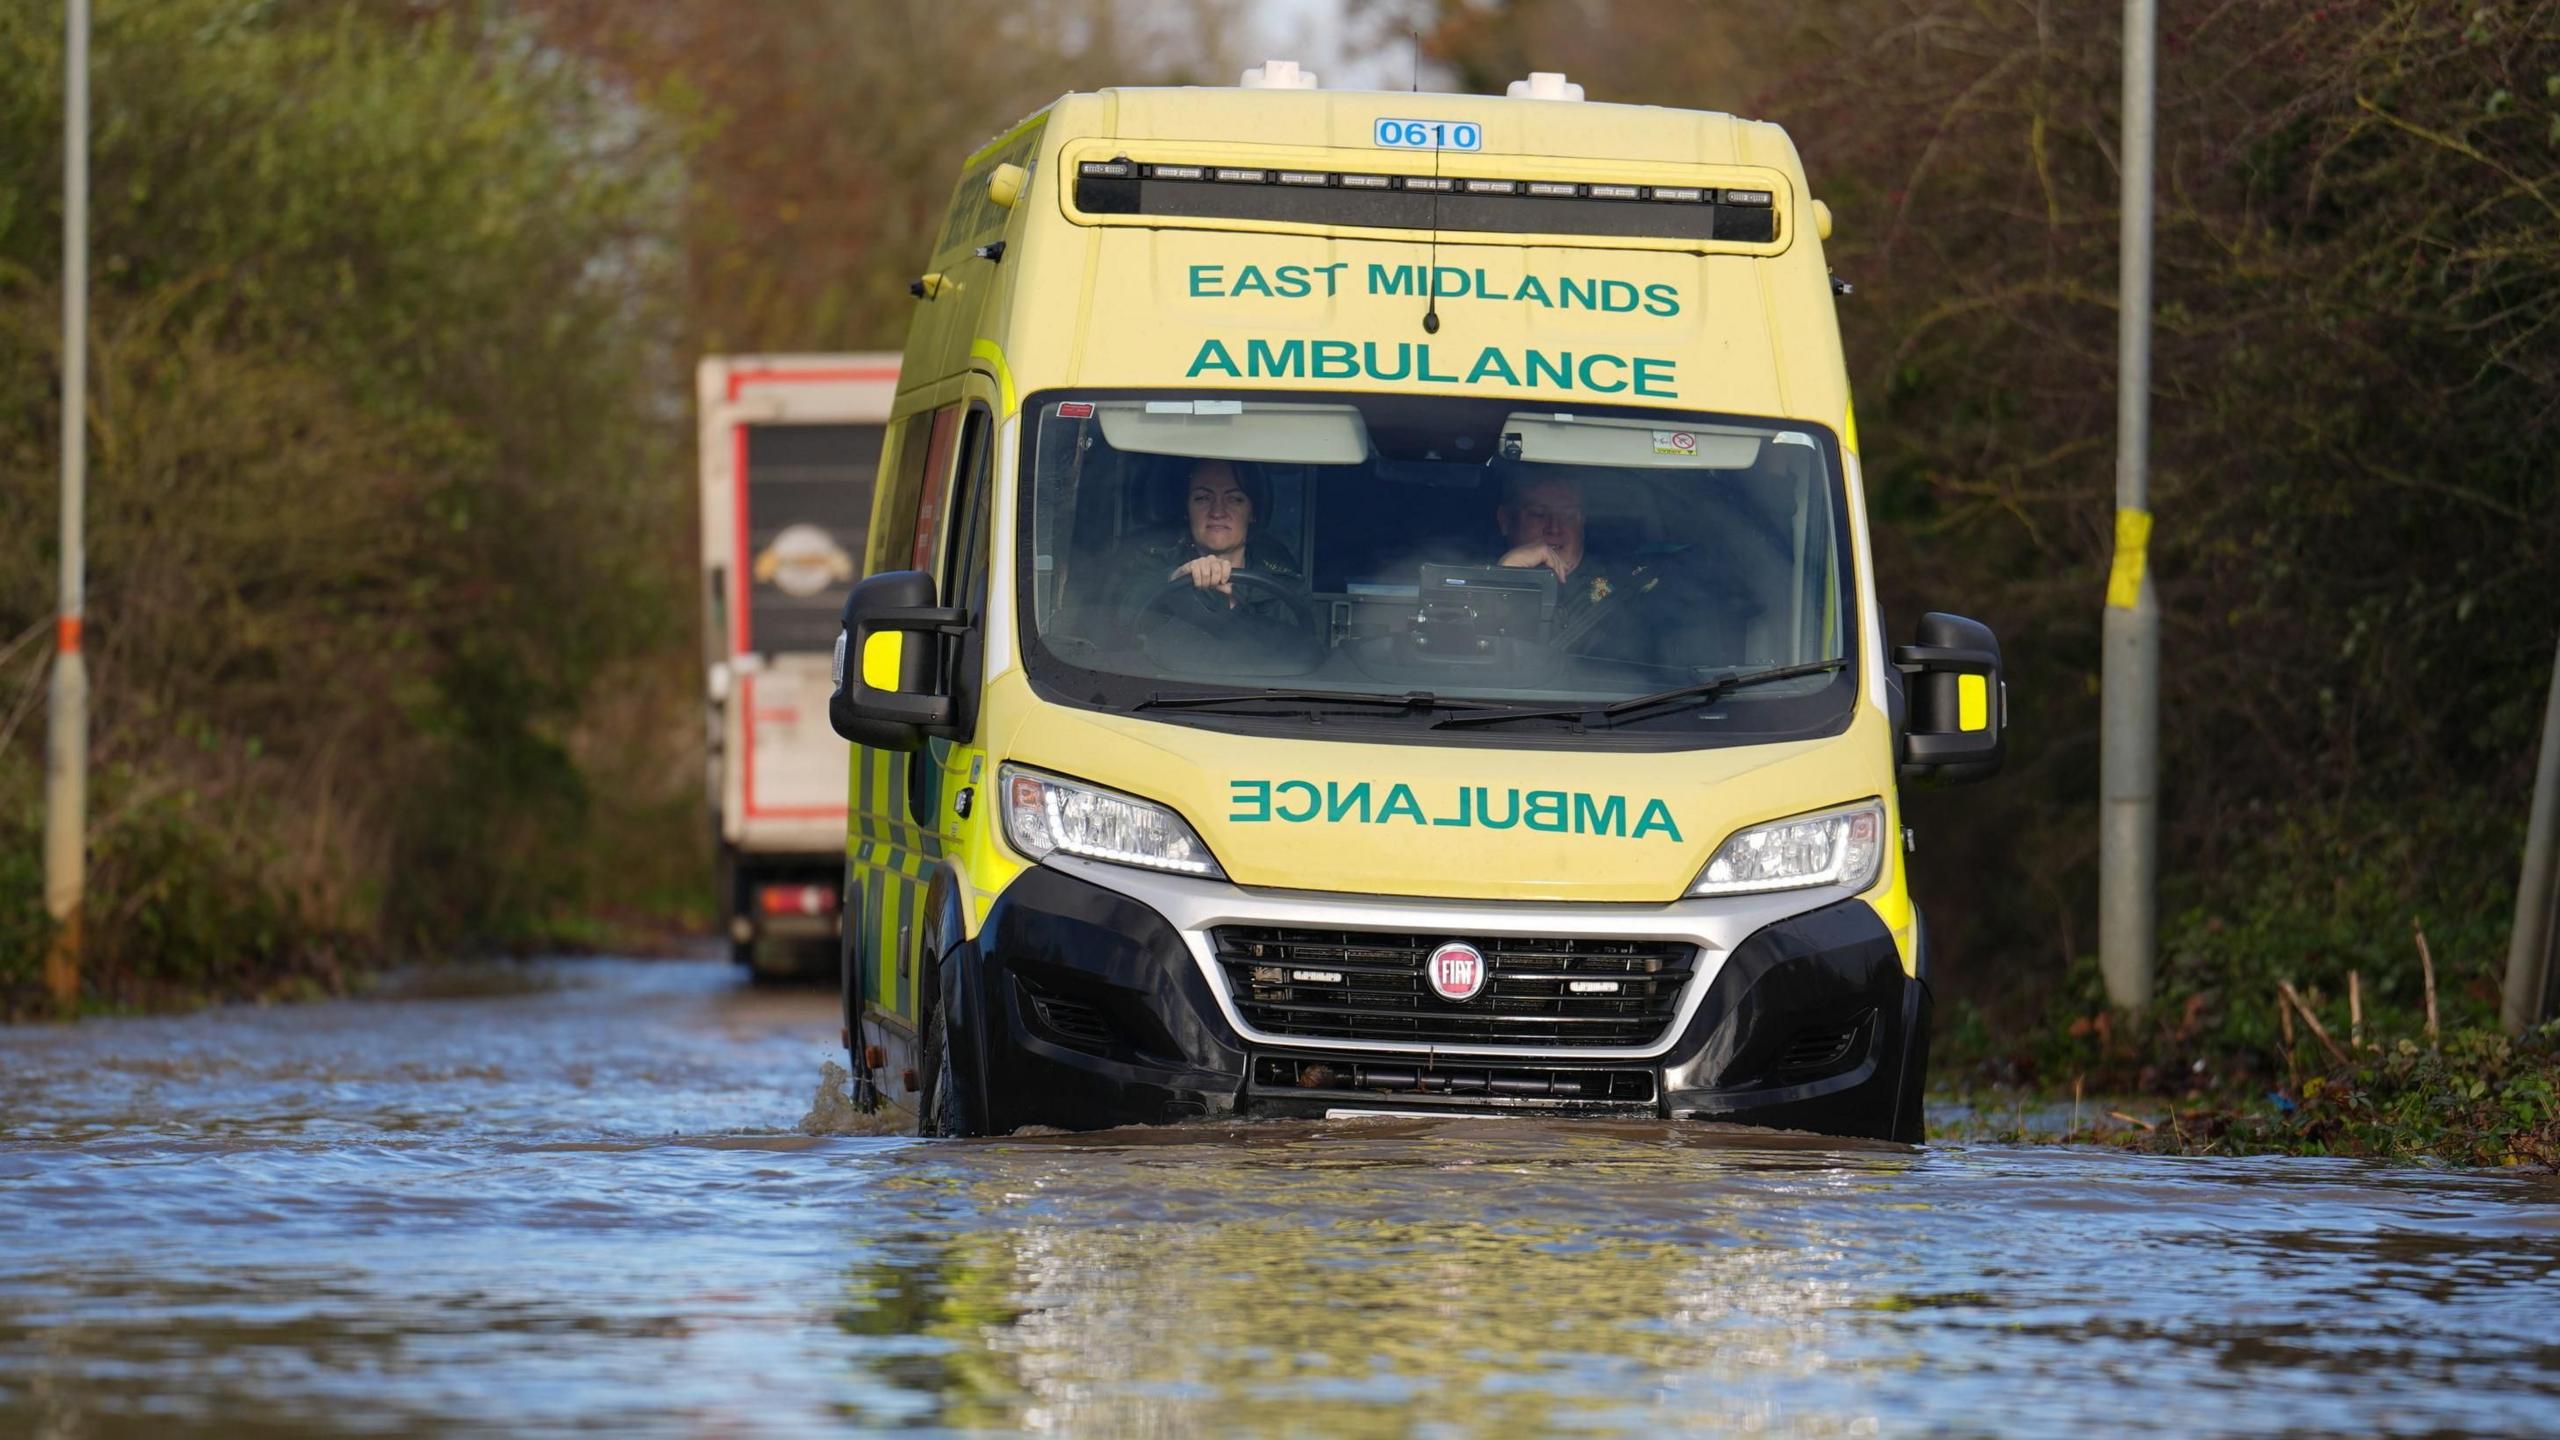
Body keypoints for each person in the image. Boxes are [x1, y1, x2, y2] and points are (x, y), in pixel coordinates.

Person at [1116, 457, 1306, 633]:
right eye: (1203, 498)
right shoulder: (1150, 558)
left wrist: (1235, 606)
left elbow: (1304, 651)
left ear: (1253, 512)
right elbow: (1119, 618)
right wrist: (1173, 579)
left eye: (1234, 499)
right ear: (1187, 509)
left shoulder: (1284, 579)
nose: (1217, 512)